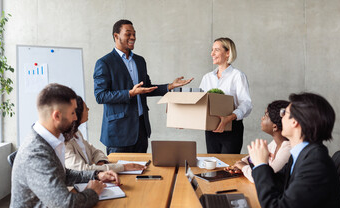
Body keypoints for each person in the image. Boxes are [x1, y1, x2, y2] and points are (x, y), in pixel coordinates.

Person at [11, 83, 120, 208]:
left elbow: (63, 174)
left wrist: (96, 175)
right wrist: (93, 191)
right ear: (57, 116)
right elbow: (66, 204)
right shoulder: (36, 153)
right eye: (72, 113)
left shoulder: (49, 140)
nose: (75, 118)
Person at [94, 19, 193, 154]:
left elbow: (146, 89)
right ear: (116, 36)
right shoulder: (104, 63)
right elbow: (100, 96)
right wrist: (130, 93)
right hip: (118, 133)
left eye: (134, 34)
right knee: (120, 174)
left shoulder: (140, 61)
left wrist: (169, 86)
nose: (133, 37)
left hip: (141, 129)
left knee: (141, 172)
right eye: (128, 34)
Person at [248, 92, 340, 208]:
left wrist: (261, 165)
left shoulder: (315, 164)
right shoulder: (303, 154)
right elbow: (279, 182)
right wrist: (261, 163)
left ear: (295, 121)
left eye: (284, 113)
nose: (281, 117)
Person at [64, 96, 147, 172]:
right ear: (77, 114)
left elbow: (95, 151)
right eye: (85, 108)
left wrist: (101, 162)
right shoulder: (65, 142)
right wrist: (123, 167)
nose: (88, 109)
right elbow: (82, 169)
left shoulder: (77, 133)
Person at [199, 37, 252, 154]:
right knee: (213, 167)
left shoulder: (237, 76)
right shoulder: (207, 78)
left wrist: (228, 118)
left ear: (228, 53)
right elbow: (200, 104)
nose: (212, 53)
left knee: (228, 167)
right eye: (212, 50)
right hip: (211, 128)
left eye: (216, 50)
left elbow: (246, 104)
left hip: (231, 127)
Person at [232, 100, 291, 183]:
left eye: (266, 115)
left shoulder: (287, 149)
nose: (262, 118)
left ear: (275, 127)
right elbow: (252, 159)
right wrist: (241, 163)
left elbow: (263, 178)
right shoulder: (275, 143)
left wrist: (244, 167)